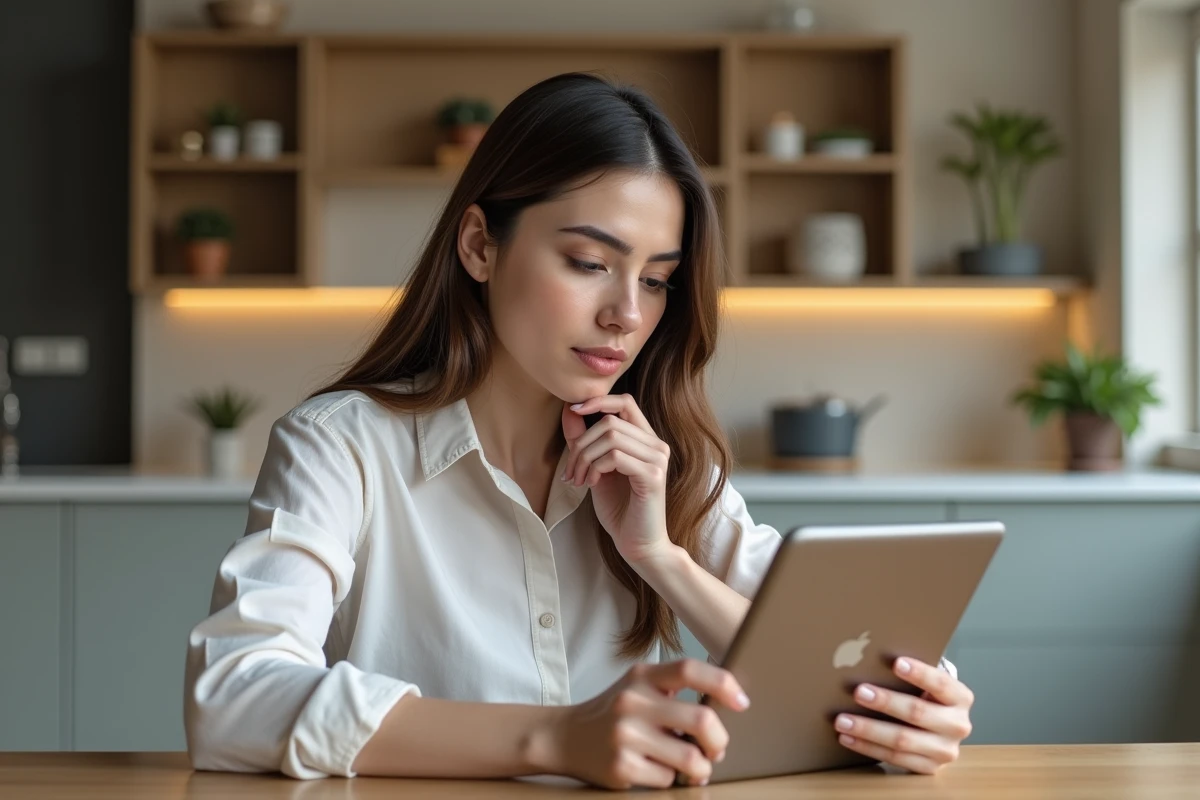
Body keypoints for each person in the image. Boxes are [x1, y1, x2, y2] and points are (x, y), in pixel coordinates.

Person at [183, 72, 974, 790]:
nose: (628, 314)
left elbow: (858, 662)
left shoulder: (666, 461)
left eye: (658, 279)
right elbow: (232, 695)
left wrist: (660, 559)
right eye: (590, 261)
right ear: (480, 245)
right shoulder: (342, 445)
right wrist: (559, 740)